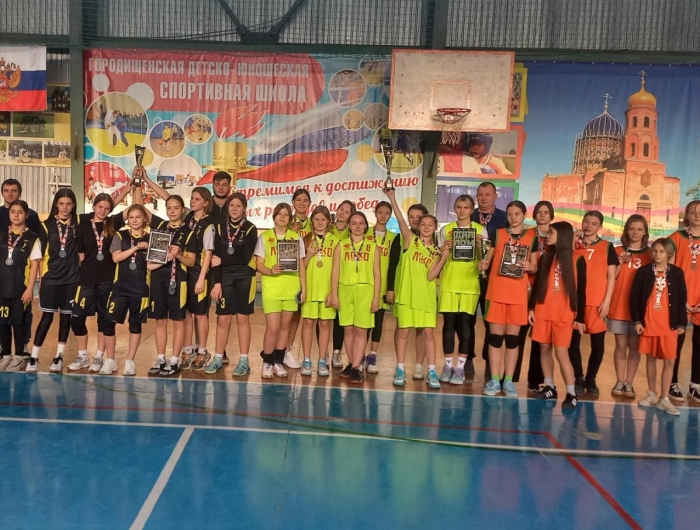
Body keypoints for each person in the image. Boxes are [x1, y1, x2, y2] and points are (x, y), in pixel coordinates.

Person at [68, 184, 136, 373]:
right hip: (86, 280)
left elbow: (132, 209)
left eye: (107, 208)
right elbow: (81, 255)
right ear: (94, 206)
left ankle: (99, 356)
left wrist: (129, 189)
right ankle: (83, 356)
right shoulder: (83, 224)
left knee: (104, 320)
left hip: (107, 280)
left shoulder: (113, 223)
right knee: (77, 319)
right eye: (100, 207)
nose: (103, 210)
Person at [385, 189, 449, 388]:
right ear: (418, 227)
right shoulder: (409, 240)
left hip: (426, 298)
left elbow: (431, 276)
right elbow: (400, 219)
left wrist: (443, 257)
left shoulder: (436, 251)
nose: (426, 227)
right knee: (403, 332)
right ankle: (400, 368)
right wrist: (392, 198)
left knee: (428, 334)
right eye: (423, 224)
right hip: (406, 296)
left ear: (435, 228)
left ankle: (431, 371)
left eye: (430, 225)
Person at [478, 200, 538, 397]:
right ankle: (495, 380)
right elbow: (487, 260)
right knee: (495, 339)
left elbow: (535, 267)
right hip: (496, 293)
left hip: (518, 295)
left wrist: (530, 267)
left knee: (513, 340)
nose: (513, 217)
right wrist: (483, 264)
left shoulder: (532, 238)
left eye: (517, 214)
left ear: (524, 215)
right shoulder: (498, 234)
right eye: (510, 214)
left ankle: (509, 381)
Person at [529, 221, 587, 409]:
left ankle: (571, 393)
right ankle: (550, 386)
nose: (547, 235)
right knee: (544, 348)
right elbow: (538, 284)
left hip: (564, 314)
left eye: (551, 232)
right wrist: (531, 308)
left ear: (562, 235)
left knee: (562, 353)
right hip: (543, 310)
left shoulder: (578, 259)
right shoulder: (546, 257)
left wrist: (580, 318)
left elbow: (582, 291)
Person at [26, 189, 80, 373]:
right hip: (50, 279)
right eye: (61, 203)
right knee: (46, 318)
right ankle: (34, 357)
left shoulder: (78, 223)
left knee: (66, 319)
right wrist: (41, 280)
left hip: (71, 280)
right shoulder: (45, 225)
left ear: (73, 205)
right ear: (56, 204)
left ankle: (59, 357)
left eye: (69, 204)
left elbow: (104, 210)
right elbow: (39, 256)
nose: (65, 207)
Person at [632, 238, 687, 415]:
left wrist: (681, 323)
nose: (657, 254)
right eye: (655, 250)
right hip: (649, 323)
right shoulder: (643, 272)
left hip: (669, 325)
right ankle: (651, 394)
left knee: (670, 360)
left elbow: (682, 299)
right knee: (651, 358)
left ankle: (664, 398)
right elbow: (635, 297)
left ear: (669, 254)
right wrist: (638, 321)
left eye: (661, 251)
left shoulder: (677, 273)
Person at [208, 193, 258, 376]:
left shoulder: (251, 229)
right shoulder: (219, 227)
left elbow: (245, 257)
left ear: (244, 209)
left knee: (243, 319)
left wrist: (223, 260)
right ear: (228, 208)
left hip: (245, 276)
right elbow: (215, 258)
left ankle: (244, 361)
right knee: (223, 319)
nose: (235, 209)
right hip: (225, 277)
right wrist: (217, 283)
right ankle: (218, 358)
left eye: (238, 206)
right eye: (231, 205)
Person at [568, 211, 617, 396]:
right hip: (575, 302)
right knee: (573, 343)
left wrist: (607, 301)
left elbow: (611, 276)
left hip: (597, 302)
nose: (589, 226)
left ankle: (591, 378)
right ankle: (578, 378)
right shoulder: (574, 244)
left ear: (600, 227)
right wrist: (572, 241)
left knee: (598, 345)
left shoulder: (607, 247)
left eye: (594, 224)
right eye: (586, 222)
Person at [255, 203, 306, 378]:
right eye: (280, 214)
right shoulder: (264, 237)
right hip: (272, 289)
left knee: (285, 327)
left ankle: (278, 361)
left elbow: (301, 266)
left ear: (290, 218)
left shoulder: (296, 238)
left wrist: (304, 288)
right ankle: (267, 362)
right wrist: (270, 270)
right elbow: (259, 264)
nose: (283, 217)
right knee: (273, 328)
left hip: (291, 288)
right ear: (274, 216)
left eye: (286, 214)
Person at [437, 194, 483, 385]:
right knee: (448, 325)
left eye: (466, 207)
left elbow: (484, 258)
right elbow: (439, 255)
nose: (462, 210)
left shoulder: (480, 230)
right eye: (459, 207)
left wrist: (480, 245)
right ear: (455, 209)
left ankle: (460, 368)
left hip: (470, 283)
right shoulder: (446, 230)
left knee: (465, 326)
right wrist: (444, 249)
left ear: (472, 210)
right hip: (449, 282)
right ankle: (448, 366)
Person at [331, 211, 381, 384]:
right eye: (354, 223)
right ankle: (353, 364)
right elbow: (335, 271)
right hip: (345, 290)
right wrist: (334, 294)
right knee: (348, 329)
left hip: (365, 291)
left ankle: (356, 367)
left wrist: (376, 297)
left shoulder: (373, 246)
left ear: (366, 226)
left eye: (361, 223)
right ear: (349, 226)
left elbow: (377, 273)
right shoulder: (342, 245)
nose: (358, 226)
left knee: (361, 330)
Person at [100, 204, 151, 375]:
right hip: (119, 288)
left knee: (135, 325)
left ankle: (130, 361)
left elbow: (152, 264)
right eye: (131, 217)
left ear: (145, 218)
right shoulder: (120, 235)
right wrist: (135, 248)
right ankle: (110, 360)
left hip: (140, 289)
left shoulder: (151, 238)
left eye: (138, 217)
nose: (134, 220)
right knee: (108, 322)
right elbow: (116, 258)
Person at [145, 195, 190, 377]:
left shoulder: (188, 232)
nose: (172, 211)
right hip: (157, 278)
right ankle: (161, 358)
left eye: (176, 208)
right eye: (169, 208)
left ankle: (174, 360)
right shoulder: (159, 229)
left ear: (182, 209)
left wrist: (178, 255)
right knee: (160, 320)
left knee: (178, 321)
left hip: (178, 280)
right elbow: (151, 259)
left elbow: (191, 261)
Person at [608, 214, 651, 398]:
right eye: (632, 229)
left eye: (639, 229)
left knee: (635, 345)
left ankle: (629, 383)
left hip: (639, 309)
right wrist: (620, 263)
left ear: (645, 232)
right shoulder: (617, 251)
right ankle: (619, 380)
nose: (635, 232)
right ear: (626, 231)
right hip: (619, 305)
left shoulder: (650, 254)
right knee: (621, 344)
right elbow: (610, 277)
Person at [386, 202, 429, 379]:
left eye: (418, 217)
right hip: (403, 288)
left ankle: (419, 365)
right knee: (402, 327)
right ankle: (400, 366)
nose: (415, 220)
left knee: (422, 329)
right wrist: (390, 289)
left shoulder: (433, 241)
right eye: (411, 217)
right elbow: (392, 264)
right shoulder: (402, 238)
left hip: (423, 291)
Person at [0, 179, 42, 358]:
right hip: (4, 282)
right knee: (3, 320)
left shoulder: (32, 222)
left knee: (21, 318)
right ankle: (4, 352)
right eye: (6, 190)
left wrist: (31, 287)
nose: (10, 194)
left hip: (21, 282)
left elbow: (36, 257)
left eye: (14, 190)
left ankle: (22, 348)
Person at [470, 181, 508, 378]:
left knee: (490, 321)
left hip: (493, 278)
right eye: (480, 194)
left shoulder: (504, 218)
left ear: (495, 196)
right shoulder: (469, 215)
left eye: (487, 194)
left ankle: (488, 362)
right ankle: (467, 358)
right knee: (466, 321)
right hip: (469, 275)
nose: (483, 198)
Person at [179, 187, 215, 371]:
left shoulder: (208, 225)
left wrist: (201, 278)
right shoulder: (187, 219)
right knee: (186, 312)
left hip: (199, 271)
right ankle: (188, 349)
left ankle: (202, 350)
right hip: (184, 269)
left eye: (197, 199)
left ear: (206, 203)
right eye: (192, 198)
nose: (193, 201)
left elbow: (208, 254)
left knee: (200, 314)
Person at [519, 201, 553, 391]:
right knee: (518, 335)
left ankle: (535, 379)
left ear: (551, 215)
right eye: (539, 212)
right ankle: (510, 377)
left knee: (539, 338)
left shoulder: (556, 235)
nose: (542, 215)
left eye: (546, 212)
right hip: (526, 288)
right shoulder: (527, 234)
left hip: (546, 292)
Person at [300, 206, 339, 377]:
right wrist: (308, 255)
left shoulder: (336, 241)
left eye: (323, 219)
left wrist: (333, 292)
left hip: (327, 290)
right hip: (310, 288)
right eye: (317, 219)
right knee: (308, 323)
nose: (320, 222)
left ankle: (322, 359)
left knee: (325, 324)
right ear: (312, 221)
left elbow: (338, 268)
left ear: (328, 222)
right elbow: (300, 267)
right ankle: (307, 359)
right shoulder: (305, 239)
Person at [668, 200, 700, 404]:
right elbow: (667, 269)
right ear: (686, 215)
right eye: (693, 212)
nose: (697, 215)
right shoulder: (675, 238)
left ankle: (696, 385)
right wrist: (680, 298)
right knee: (675, 343)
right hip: (680, 299)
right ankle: (672, 382)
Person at [284, 188, 313, 369]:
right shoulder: (286, 222)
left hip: (311, 273)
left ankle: (288, 348)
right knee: (288, 314)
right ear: (293, 202)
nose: (302, 203)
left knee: (299, 315)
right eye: (299, 200)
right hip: (291, 273)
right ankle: (283, 349)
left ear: (310, 203)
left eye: (305, 200)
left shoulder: (314, 223)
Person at [365, 201, 396, 374]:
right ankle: (359, 354)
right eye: (380, 212)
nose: (383, 215)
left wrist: (391, 288)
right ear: (375, 213)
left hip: (382, 285)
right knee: (363, 322)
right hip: (364, 285)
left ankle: (372, 355)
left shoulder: (393, 238)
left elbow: (393, 265)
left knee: (378, 322)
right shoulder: (365, 233)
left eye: (386, 213)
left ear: (390, 215)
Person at [330, 200, 357, 367]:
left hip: (344, 280)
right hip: (323, 277)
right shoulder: (326, 227)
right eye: (341, 209)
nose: (342, 213)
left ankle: (337, 351)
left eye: (347, 212)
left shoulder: (352, 233)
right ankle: (323, 353)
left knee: (340, 318)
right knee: (323, 319)